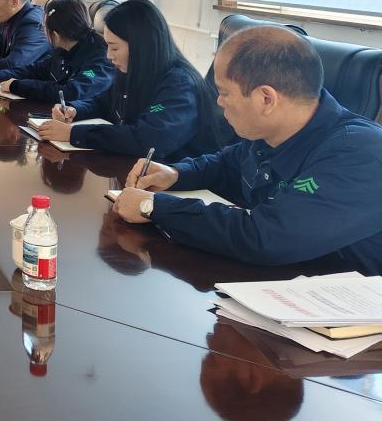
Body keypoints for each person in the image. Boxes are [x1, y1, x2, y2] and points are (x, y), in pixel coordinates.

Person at [113, 25, 382, 274]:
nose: (219, 102)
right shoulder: (272, 132)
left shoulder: (361, 155)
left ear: (266, 99)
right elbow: (227, 165)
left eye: (224, 93)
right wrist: (175, 174)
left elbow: (267, 236)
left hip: (352, 303)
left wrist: (153, 206)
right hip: (290, 279)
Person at [35, 0, 220, 160]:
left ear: (141, 46)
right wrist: (75, 110)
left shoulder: (180, 85)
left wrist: (73, 134)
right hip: (136, 171)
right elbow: (104, 102)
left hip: (178, 180)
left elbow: (149, 139)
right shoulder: (132, 71)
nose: (108, 55)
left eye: (114, 48)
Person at [0, 0, 115, 103]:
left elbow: (70, 92)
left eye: (44, 27)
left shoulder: (100, 59)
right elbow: (36, 69)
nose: (43, 31)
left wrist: (16, 86)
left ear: (55, 35)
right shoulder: (64, 49)